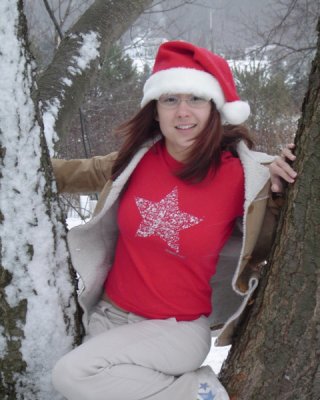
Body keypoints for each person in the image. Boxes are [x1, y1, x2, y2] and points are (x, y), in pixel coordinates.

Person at [51, 40, 296, 400]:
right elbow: (73, 173)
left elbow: (277, 231)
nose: (183, 112)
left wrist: (280, 190)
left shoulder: (245, 177)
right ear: (155, 110)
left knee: (70, 375)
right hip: (109, 319)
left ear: (215, 108)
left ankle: (198, 393)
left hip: (176, 330)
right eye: (170, 100)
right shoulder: (137, 160)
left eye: (195, 99)